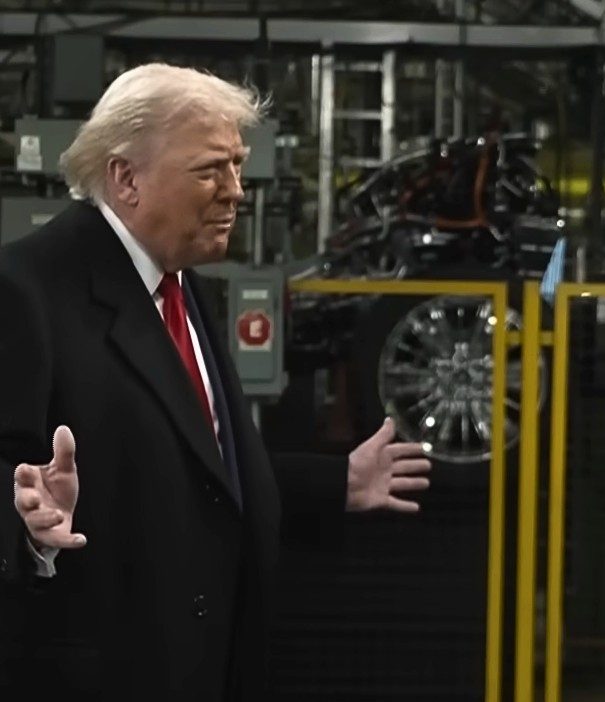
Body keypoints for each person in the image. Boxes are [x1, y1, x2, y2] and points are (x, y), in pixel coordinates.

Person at [0, 63, 431, 700]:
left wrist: (335, 482)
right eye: (209, 171)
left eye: (236, 166)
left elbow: (194, 471)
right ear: (126, 178)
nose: (236, 192)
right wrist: (24, 523)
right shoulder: (25, 290)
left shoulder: (179, 283)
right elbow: (19, 480)